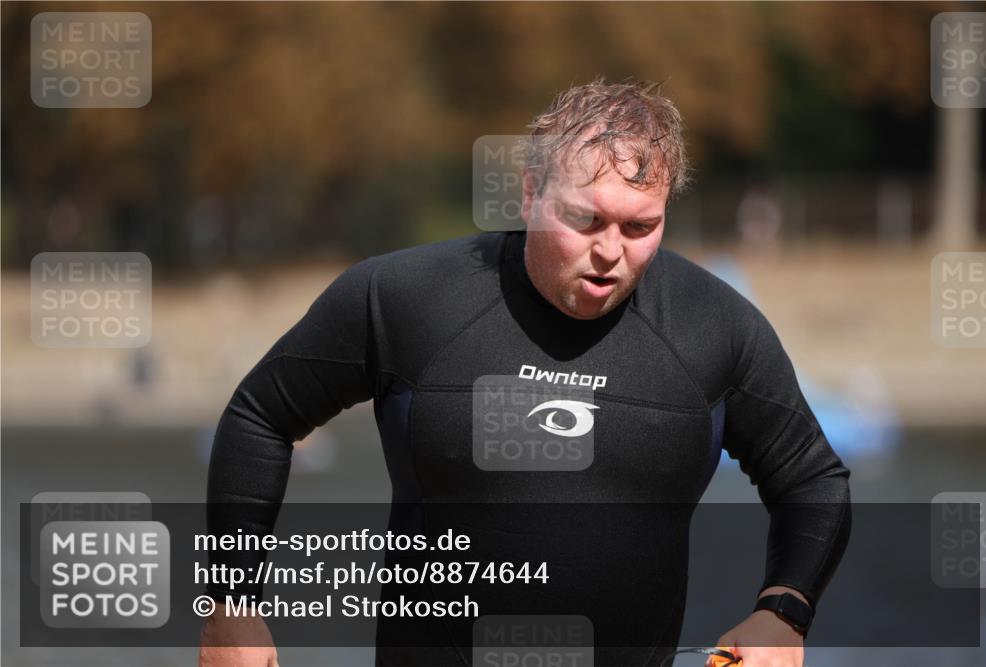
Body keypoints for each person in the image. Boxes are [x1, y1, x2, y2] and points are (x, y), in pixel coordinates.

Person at [199, 79, 851, 667]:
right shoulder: (406, 297)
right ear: (531, 191)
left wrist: (785, 610)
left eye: (640, 226)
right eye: (585, 218)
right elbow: (261, 416)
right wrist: (233, 604)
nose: (609, 251)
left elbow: (812, 478)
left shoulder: (715, 327)